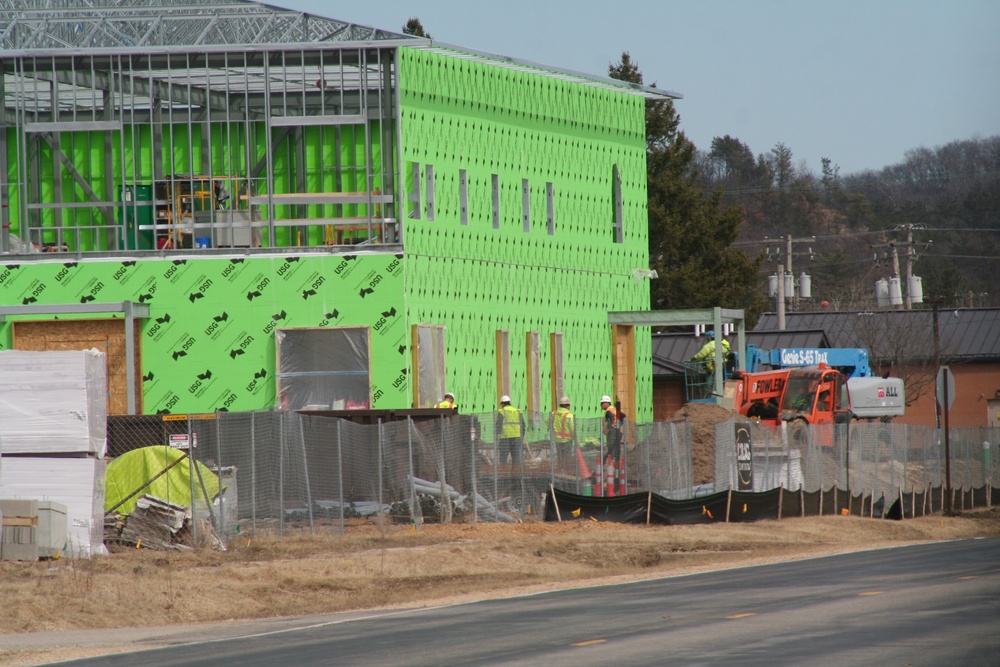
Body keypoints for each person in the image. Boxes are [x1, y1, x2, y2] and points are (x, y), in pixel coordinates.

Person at [495, 395, 525, 465]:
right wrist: (522, 436)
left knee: (503, 458)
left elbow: (498, 425)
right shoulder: (518, 411)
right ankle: (516, 474)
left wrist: (496, 435)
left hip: (505, 437)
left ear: (502, 403)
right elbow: (523, 425)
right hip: (517, 437)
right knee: (516, 458)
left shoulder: (502, 411)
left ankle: (504, 473)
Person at [549, 396, 576, 470]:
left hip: (557, 439)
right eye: (569, 405)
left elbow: (548, 422)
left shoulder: (554, 413)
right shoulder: (569, 415)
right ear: (567, 405)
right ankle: (566, 470)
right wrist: (575, 438)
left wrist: (553, 428)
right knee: (567, 457)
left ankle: (561, 469)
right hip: (567, 440)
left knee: (560, 457)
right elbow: (572, 429)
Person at [600, 395, 622, 462]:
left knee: (611, 448)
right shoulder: (614, 409)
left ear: (606, 403)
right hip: (617, 431)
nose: (601, 405)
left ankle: (611, 462)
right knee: (616, 447)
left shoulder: (608, 411)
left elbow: (611, 420)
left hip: (612, 432)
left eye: (602, 403)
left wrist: (607, 429)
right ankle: (616, 462)